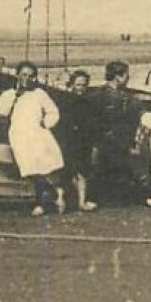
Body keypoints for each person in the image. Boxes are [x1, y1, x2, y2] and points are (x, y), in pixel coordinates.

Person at [0, 61, 64, 216]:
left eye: (31, 76)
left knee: (38, 168)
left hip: (37, 135)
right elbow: (0, 109)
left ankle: (41, 203)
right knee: (28, 169)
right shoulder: (11, 93)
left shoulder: (39, 94)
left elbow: (53, 112)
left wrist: (46, 123)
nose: (27, 79)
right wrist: (14, 96)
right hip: (19, 136)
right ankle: (54, 192)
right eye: (24, 75)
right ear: (18, 76)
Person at [89, 61, 146, 204]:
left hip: (123, 140)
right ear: (117, 76)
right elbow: (94, 120)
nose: (128, 78)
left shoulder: (126, 96)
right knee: (105, 171)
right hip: (107, 141)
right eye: (126, 75)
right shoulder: (99, 96)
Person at [51, 69, 98, 212]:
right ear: (71, 85)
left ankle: (81, 201)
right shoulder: (64, 100)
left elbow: (93, 123)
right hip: (67, 139)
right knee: (65, 171)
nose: (81, 88)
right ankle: (61, 200)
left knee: (82, 171)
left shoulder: (89, 102)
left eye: (84, 85)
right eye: (78, 85)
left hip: (83, 140)